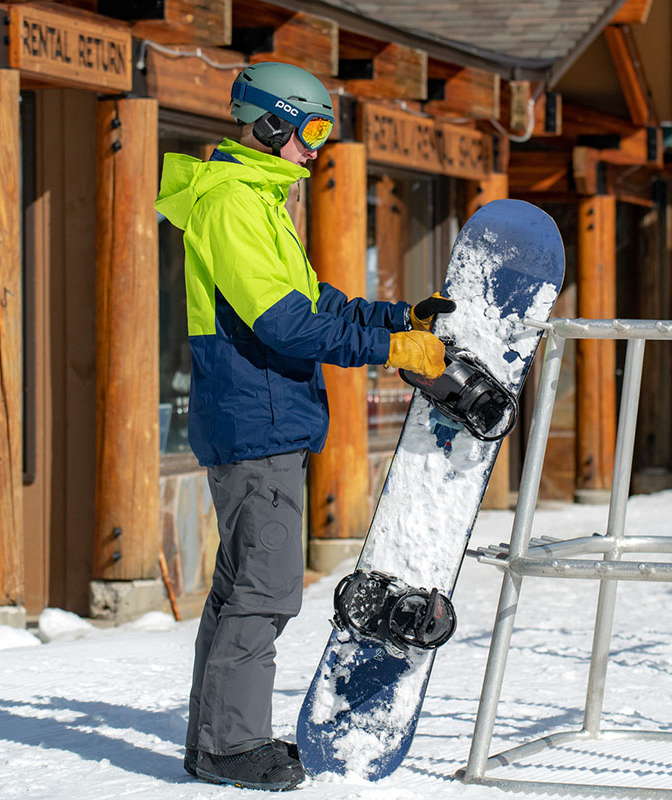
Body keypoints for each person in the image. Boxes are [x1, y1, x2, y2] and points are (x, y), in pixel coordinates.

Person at [154, 61, 456, 791]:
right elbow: (285, 325)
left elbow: (315, 301)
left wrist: (397, 318)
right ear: (270, 123)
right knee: (267, 588)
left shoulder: (260, 201)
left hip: (264, 417)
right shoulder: (234, 203)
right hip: (255, 419)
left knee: (240, 589)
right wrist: (390, 351)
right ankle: (232, 746)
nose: (316, 149)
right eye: (311, 130)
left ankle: (214, 742)